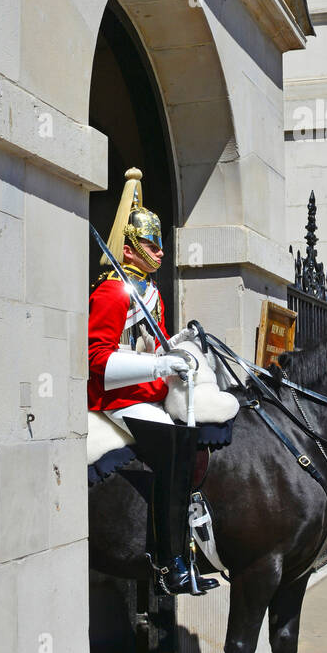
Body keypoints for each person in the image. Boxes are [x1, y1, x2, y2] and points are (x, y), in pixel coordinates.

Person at [88, 167, 217, 596]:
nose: (160, 253)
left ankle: (192, 546)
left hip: (147, 394)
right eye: (150, 244)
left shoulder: (150, 293)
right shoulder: (112, 292)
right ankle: (169, 562)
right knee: (173, 451)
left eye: (161, 244)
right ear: (128, 246)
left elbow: (152, 348)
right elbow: (99, 361)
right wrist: (160, 368)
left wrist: (176, 353)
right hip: (115, 397)